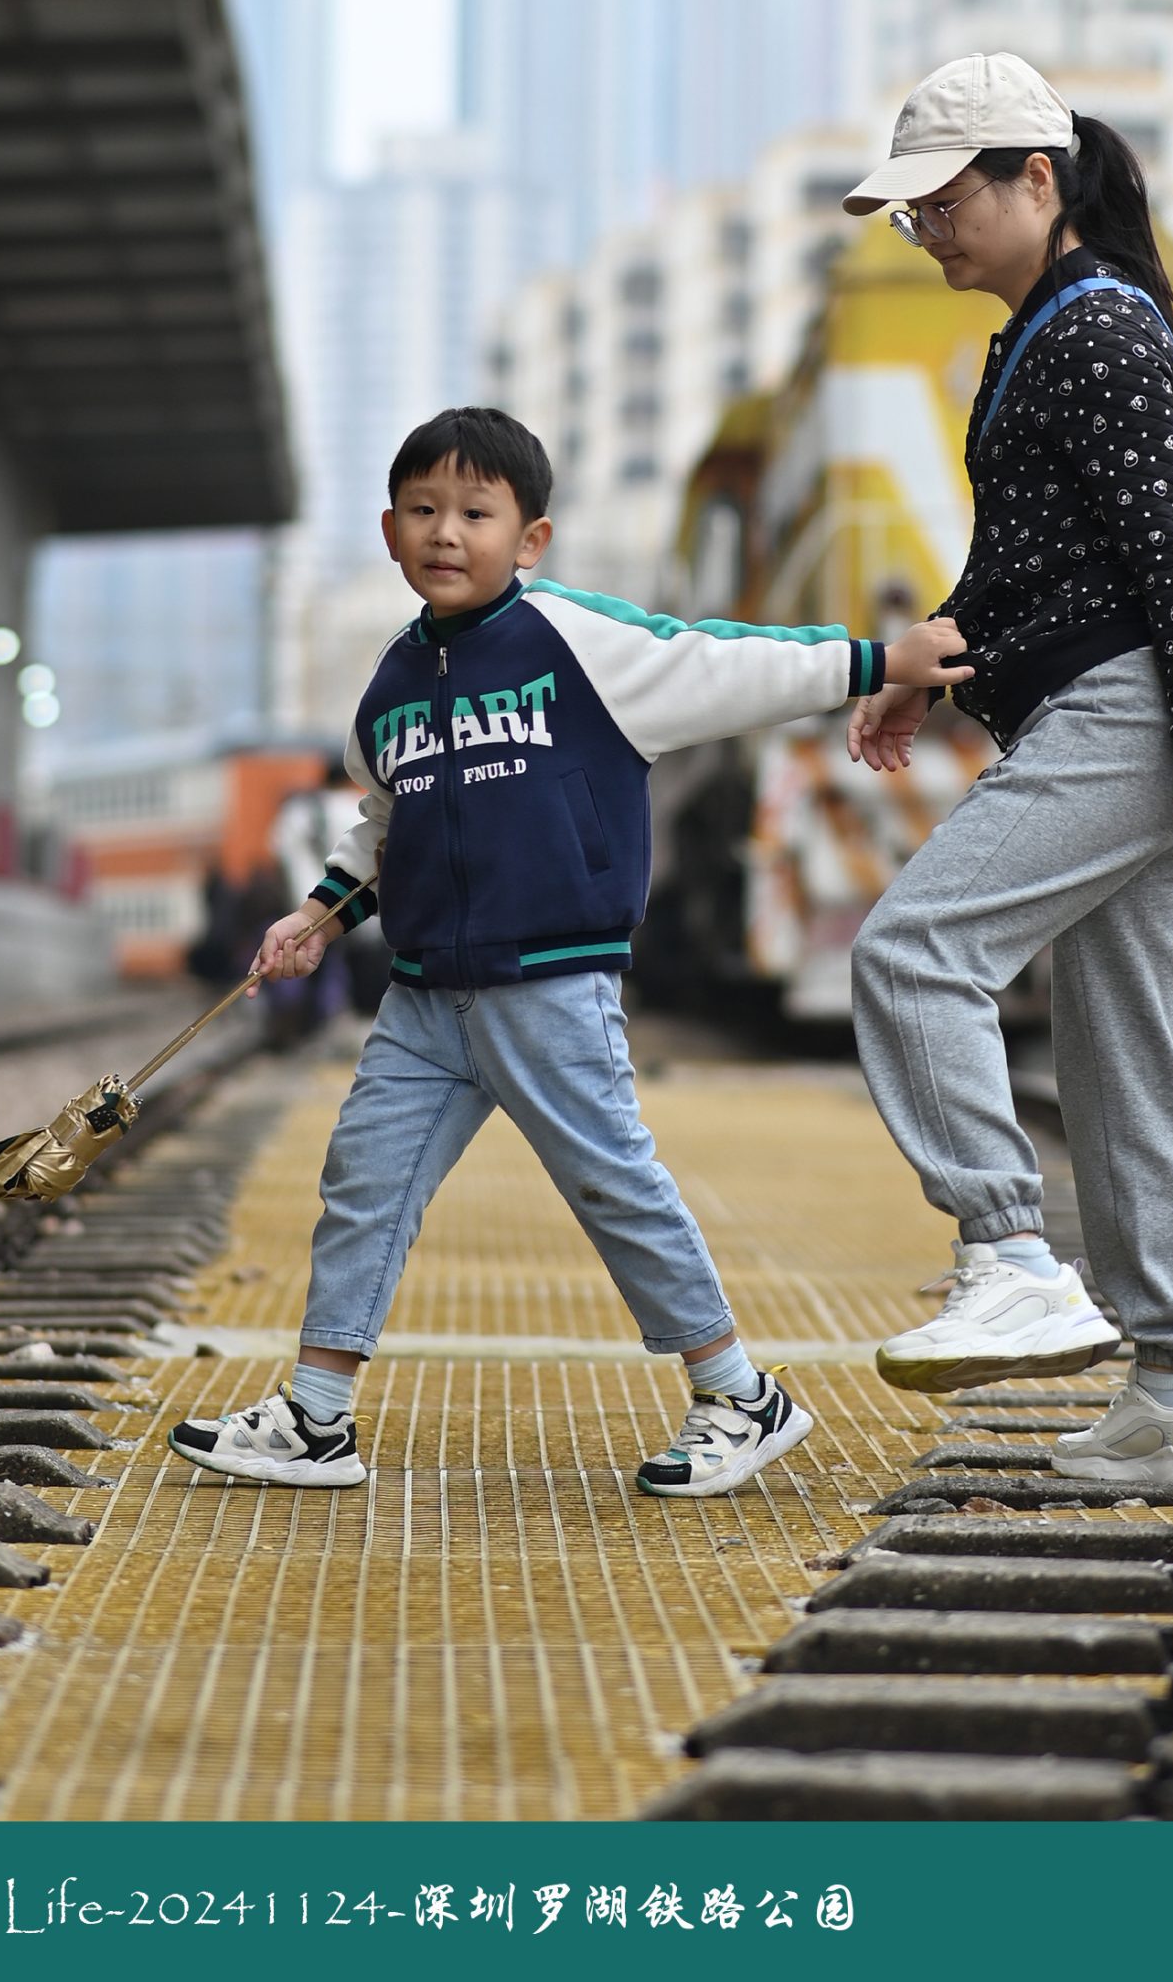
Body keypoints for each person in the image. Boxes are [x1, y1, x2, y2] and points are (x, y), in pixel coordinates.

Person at [167, 405, 971, 1497]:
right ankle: (315, 1418)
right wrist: (315, 914)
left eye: (475, 512)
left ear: (529, 539)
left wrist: (878, 656)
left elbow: (723, 662)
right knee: (362, 1180)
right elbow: (386, 826)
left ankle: (741, 1393)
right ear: (390, 531)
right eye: (422, 511)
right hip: (423, 998)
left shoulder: (576, 642)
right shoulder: (387, 693)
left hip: (548, 981)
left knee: (610, 1184)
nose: (447, 532)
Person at [839, 51, 1173, 1485]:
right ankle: (1169, 1394)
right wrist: (937, 655)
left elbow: (1169, 559)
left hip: (1132, 717)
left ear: (1035, 180)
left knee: (911, 957)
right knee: (1118, 1063)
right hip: (1105, 711)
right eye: (906, 212)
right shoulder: (1039, 328)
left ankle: (1005, 1249)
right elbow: (1035, 555)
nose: (924, 232)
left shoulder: (1093, 332)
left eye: (943, 202)